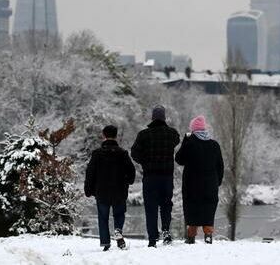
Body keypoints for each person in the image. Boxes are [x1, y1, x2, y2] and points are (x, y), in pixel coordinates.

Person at [130, 105, 180, 247]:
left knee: (150, 207)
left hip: (150, 176)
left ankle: (152, 238)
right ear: (164, 118)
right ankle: (165, 231)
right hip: (166, 177)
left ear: (152, 118)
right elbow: (177, 140)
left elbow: (134, 153)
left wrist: (144, 161)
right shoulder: (171, 134)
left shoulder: (143, 134)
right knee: (166, 205)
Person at [84, 125, 136, 251]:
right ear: (116, 136)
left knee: (103, 217)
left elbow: (90, 172)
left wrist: (88, 189)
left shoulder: (97, 154)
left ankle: (106, 242)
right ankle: (118, 230)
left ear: (103, 136)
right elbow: (131, 171)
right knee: (119, 214)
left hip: (101, 191)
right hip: (120, 190)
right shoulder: (122, 153)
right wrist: (129, 180)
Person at [175, 116, 224, 244]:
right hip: (210, 184)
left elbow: (179, 159)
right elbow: (220, 165)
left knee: (192, 208)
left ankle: (191, 236)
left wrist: (186, 140)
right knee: (208, 208)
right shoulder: (214, 145)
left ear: (193, 130)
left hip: (192, 184)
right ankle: (208, 235)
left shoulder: (190, 144)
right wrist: (217, 182)